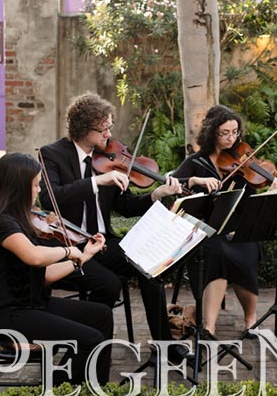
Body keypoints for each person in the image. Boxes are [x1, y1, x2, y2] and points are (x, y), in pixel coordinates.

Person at [38, 92, 184, 350]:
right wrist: (95, 182)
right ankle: (90, 343)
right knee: (109, 284)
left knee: (149, 268)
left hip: (104, 242)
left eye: (109, 127)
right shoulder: (53, 154)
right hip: (70, 246)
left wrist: (155, 195)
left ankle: (163, 344)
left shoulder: (106, 160)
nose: (108, 134)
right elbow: (51, 199)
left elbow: (125, 206)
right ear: (83, 128)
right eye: (102, 129)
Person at [0, 152, 112, 384]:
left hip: (29, 303)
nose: (38, 191)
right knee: (91, 339)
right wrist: (67, 251)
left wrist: (83, 256)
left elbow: (43, 276)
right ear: (17, 188)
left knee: (101, 315)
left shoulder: (15, 219)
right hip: (5, 316)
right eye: (35, 185)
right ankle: (70, 390)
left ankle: (85, 386)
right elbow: (34, 257)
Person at [171, 105, 277, 335]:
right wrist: (194, 181)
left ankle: (250, 321)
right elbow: (172, 184)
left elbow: (250, 203)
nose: (231, 138)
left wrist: (272, 193)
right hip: (204, 229)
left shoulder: (243, 163)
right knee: (218, 251)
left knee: (248, 247)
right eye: (225, 133)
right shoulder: (196, 161)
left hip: (235, 228)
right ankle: (209, 327)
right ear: (212, 133)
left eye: (235, 132)